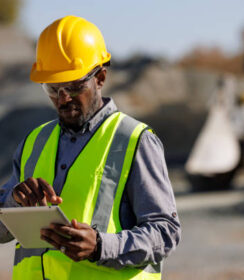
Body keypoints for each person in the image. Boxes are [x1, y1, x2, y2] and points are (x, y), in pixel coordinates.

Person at [0, 15, 181, 280]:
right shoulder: (34, 143)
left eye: (73, 87)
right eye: (52, 88)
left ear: (100, 77)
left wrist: (99, 246)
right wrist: (15, 203)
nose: (63, 99)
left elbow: (166, 232)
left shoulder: (134, 141)